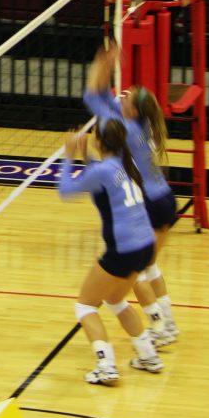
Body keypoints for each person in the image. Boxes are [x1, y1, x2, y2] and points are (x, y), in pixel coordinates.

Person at [85, 47, 181, 344]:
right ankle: (168, 323)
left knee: (136, 269)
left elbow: (92, 97)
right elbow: (97, 97)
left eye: (128, 95)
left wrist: (102, 63)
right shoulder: (140, 122)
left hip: (150, 204)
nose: (123, 93)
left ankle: (158, 325)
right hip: (165, 200)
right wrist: (105, 63)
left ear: (133, 110)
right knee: (149, 266)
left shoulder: (124, 128)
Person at [58, 120, 164, 385]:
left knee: (85, 306)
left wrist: (69, 156)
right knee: (115, 299)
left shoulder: (105, 169)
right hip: (144, 247)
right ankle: (147, 354)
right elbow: (103, 177)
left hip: (123, 249)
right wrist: (85, 156)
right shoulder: (126, 163)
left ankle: (106, 366)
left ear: (99, 142)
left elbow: (66, 191)